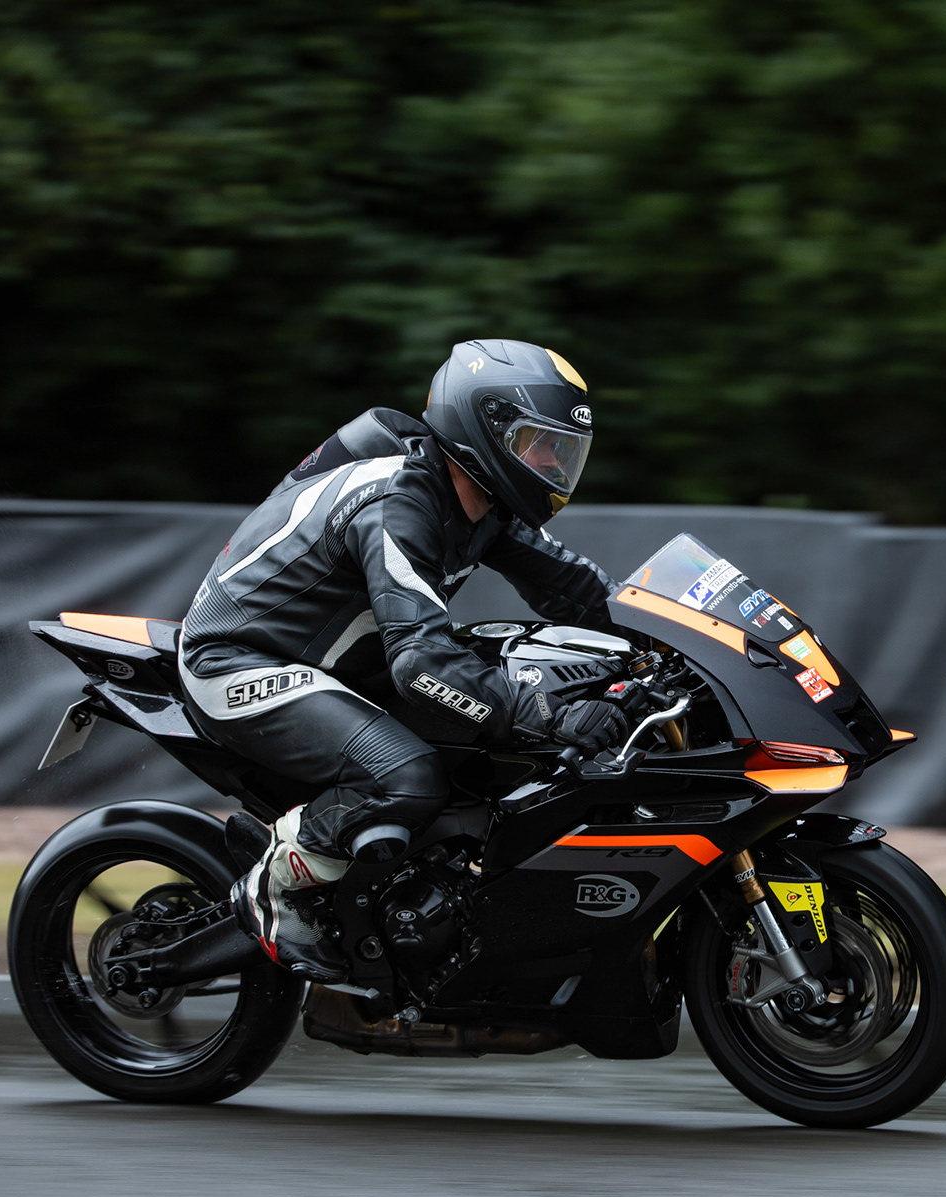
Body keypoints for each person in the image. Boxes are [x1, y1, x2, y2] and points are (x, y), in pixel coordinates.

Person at [178, 339, 629, 979]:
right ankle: (274, 884)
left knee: (488, 746)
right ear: (487, 430)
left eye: (562, 449)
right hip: (237, 660)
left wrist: (672, 647)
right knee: (409, 776)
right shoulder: (399, 500)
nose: (554, 463)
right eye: (539, 444)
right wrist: (551, 717)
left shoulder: (484, 505)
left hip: (338, 671)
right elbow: (419, 663)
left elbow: (584, 593)